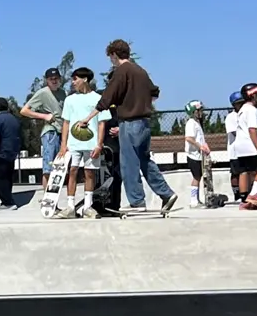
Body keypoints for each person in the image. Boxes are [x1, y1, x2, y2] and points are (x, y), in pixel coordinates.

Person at [77, 39, 178, 213]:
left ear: (114, 55)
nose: (111, 61)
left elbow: (107, 98)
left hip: (130, 123)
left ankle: (137, 202)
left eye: (111, 58)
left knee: (128, 163)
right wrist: (140, 100)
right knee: (144, 161)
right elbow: (155, 92)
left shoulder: (121, 71)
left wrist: (87, 118)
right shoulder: (141, 71)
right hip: (145, 123)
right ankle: (166, 194)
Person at [54, 67, 110, 218]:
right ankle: (70, 207)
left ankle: (88, 207)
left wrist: (99, 144)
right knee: (72, 172)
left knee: (89, 173)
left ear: (85, 79)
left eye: (75, 79)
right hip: (73, 145)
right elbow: (66, 122)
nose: (73, 82)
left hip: (91, 144)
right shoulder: (70, 99)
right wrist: (63, 144)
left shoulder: (98, 98)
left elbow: (102, 123)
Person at [20, 68, 67, 190]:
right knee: (49, 165)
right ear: (47, 80)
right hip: (50, 131)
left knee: (60, 167)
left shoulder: (64, 93)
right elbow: (24, 110)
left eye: (56, 78)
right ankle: (47, 195)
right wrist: (44, 116)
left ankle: (55, 196)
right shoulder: (42, 93)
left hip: (63, 133)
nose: (54, 81)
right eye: (51, 79)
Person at [233, 83, 257, 208]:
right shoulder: (252, 110)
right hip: (250, 145)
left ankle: (244, 201)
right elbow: (252, 130)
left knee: (244, 172)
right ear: (253, 96)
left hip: (240, 146)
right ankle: (253, 194)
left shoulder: (242, 109)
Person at [0, 99, 21, 210]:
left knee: (0, 179)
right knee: (8, 178)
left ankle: (8, 202)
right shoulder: (14, 119)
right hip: (12, 153)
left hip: (1, 153)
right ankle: (6, 200)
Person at [181, 100, 211, 208]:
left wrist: (205, 146)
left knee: (199, 176)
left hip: (199, 155)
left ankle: (196, 199)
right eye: (199, 110)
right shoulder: (191, 123)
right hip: (193, 155)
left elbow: (200, 138)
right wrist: (200, 146)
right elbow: (189, 138)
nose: (201, 112)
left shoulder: (197, 123)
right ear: (194, 111)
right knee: (196, 177)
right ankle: (193, 200)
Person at [226, 91, 247, 202]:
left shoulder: (245, 114)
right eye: (239, 103)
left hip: (245, 150)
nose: (241, 105)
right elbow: (234, 132)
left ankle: (246, 193)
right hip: (235, 150)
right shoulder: (231, 117)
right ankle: (237, 195)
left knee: (246, 172)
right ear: (234, 105)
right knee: (235, 173)